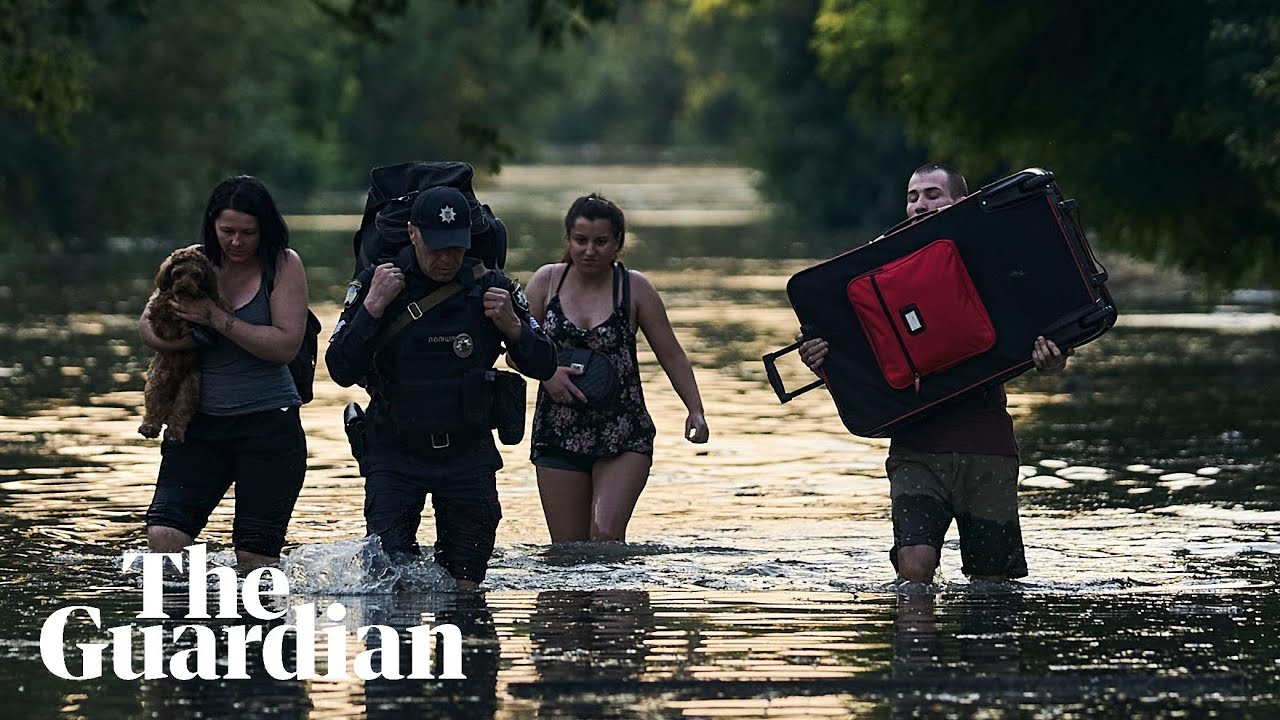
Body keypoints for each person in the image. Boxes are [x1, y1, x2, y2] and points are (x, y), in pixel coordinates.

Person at [799, 164, 1070, 584]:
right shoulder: (877, 266)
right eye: (912, 197)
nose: (920, 205)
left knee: (993, 584)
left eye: (932, 195)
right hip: (915, 449)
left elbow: (1042, 335)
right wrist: (820, 357)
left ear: (960, 203)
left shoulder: (992, 256)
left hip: (988, 447)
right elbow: (851, 355)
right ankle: (915, 627)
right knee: (914, 570)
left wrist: (1053, 360)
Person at [326, 185, 557, 590]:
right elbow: (340, 368)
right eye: (436, 247)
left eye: (455, 247)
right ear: (412, 233)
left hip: (467, 455)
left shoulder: (491, 286)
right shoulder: (380, 283)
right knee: (389, 583)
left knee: (467, 587)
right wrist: (373, 307)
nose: (447, 258)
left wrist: (514, 327)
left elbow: (545, 364)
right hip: (395, 453)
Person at [139, 175, 310, 568]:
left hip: (268, 426)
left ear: (265, 229)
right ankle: (183, 608)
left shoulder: (284, 264)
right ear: (212, 225)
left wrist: (215, 319)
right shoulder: (191, 261)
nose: (236, 242)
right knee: (163, 538)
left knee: (254, 558)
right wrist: (186, 341)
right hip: (197, 425)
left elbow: (284, 346)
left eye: (248, 233)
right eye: (227, 231)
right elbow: (146, 325)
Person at [524, 193, 710, 543]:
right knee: (568, 552)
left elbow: (671, 355)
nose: (589, 251)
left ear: (618, 243)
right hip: (557, 432)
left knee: (605, 535)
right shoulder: (546, 282)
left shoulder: (634, 288)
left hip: (623, 432)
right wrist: (547, 374)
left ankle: (620, 582)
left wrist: (695, 410)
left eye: (600, 242)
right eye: (580, 240)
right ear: (568, 239)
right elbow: (515, 351)